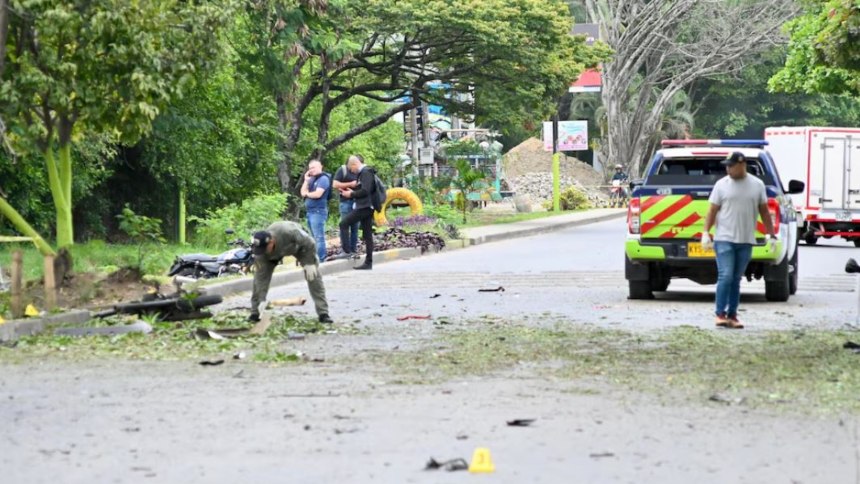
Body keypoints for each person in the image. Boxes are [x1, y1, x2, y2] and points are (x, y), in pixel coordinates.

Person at [701, 151, 777, 329]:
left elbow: (764, 211)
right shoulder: (722, 185)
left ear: (742, 165)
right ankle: (720, 313)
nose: (727, 169)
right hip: (724, 238)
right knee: (725, 276)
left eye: (731, 165)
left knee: (736, 278)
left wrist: (771, 234)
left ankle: (732, 315)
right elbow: (712, 210)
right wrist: (706, 232)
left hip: (745, 240)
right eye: (726, 165)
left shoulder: (757, 185)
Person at [248, 221, 333, 323]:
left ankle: (323, 313)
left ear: (271, 241)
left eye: (264, 248)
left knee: (313, 275)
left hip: (300, 248)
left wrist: (310, 262)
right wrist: (261, 300)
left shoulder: (289, 232)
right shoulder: (261, 252)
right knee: (259, 278)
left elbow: (310, 242)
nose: (262, 251)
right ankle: (255, 313)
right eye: (259, 249)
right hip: (274, 256)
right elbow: (260, 280)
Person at [338, 155, 377, 270]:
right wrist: (353, 191)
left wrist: (351, 194)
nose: (352, 171)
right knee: (367, 235)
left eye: (351, 169)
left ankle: (346, 251)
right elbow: (364, 189)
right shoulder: (365, 173)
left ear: (354, 164)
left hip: (365, 207)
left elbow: (365, 191)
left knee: (343, 223)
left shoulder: (366, 172)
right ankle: (368, 262)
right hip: (366, 206)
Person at [300, 159, 331, 263]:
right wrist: (306, 180)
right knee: (312, 238)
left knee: (318, 237)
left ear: (320, 167)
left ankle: (321, 259)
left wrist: (308, 194)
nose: (311, 170)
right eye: (310, 168)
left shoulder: (323, 179)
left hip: (318, 212)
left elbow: (318, 194)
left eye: (313, 167)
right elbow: (302, 192)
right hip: (310, 212)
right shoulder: (311, 179)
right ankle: (315, 258)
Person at [331, 155, 361, 258]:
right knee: (344, 225)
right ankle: (345, 250)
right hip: (345, 202)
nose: (355, 169)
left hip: (357, 202)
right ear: (351, 165)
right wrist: (350, 184)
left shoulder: (360, 172)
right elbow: (335, 184)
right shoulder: (342, 170)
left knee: (355, 227)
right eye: (355, 167)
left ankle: (353, 250)